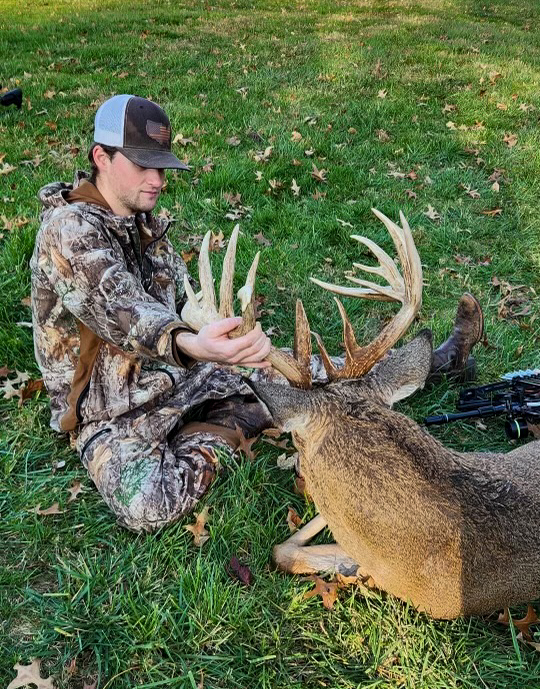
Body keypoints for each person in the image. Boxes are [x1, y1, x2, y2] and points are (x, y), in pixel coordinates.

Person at [31, 94, 484, 533]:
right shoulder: (67, 231)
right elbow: (125, 310)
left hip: (184, 372)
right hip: (111, 410)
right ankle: (246, 417)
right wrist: (192, 343)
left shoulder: (145, 225)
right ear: (101, 157)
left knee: (308, 374)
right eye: (143, 165)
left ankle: (439, 363)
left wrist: (223, 339)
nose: (158, 180)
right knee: (149, 504)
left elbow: (179, 304)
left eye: (162, 167)